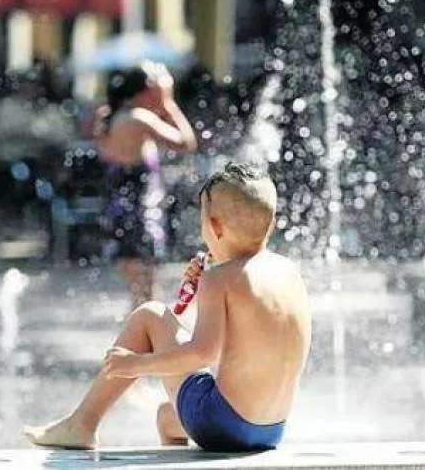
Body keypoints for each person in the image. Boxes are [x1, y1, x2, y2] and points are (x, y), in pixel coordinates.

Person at [23, 162, 311, 451]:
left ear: (214, 225)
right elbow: (248, 348)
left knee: (149, 315)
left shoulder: (220, 280)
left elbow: (203, 353)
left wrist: (136, 364)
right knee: (167, 416)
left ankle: (82, 425)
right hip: (271, 430)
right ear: (271, 224)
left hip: (224, 422)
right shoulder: (289, 272)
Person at [93, 62, 198, 310]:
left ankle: (141, 344)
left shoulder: (111, 115)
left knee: (141, 294)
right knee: (146, 296)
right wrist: (170, 105)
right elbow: (186, 142)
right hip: (137, 215)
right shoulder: (139, 118)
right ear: (149, 88)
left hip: (119, 213)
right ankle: (142, 345)